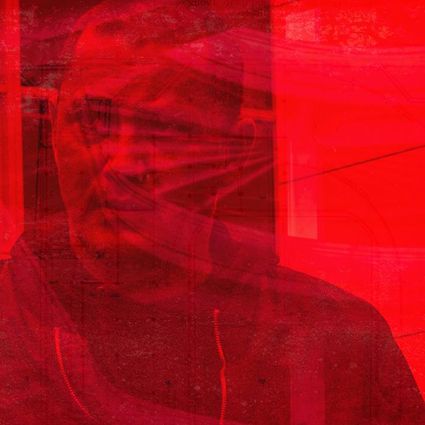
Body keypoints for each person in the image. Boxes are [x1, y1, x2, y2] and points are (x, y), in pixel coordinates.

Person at [0, 1, 424, 423]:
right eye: (95, 120)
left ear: (233, 155)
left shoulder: (341, 343)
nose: (125, 164)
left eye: (164, 128)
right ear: (52, 129)